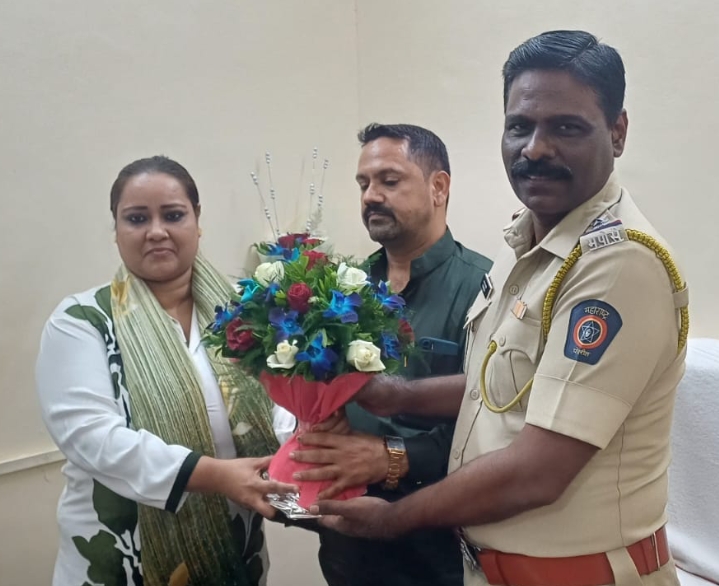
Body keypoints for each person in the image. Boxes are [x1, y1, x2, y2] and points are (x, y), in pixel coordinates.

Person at [314, 31, 689, 586]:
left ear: (618, 132)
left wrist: (392, 519)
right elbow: (502, 388)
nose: (535, 149)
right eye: (520, 126)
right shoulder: (528, 245)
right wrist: (394, 394)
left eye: (566, 127)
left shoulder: (618, 263)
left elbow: (538, 473)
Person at [35, 156, 301, 586]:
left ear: (197, 221)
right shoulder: (83, 321)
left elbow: (286, 405)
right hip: (120, 566)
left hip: (235, 559)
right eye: (137, 218)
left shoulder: (245, 313)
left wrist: (309, 450)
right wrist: (215, 476)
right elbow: (92, 438)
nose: (156, 231)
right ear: (117, 229)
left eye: (173, 215)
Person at [291, 124, 492, 586]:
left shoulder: (484, 289)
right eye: (363, 183)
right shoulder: (341, 289)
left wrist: (392, 456)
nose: (371, 196)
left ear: (438, 187)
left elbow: (493, 426)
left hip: (438, 551)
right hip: (346, 546)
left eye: (389, 180)